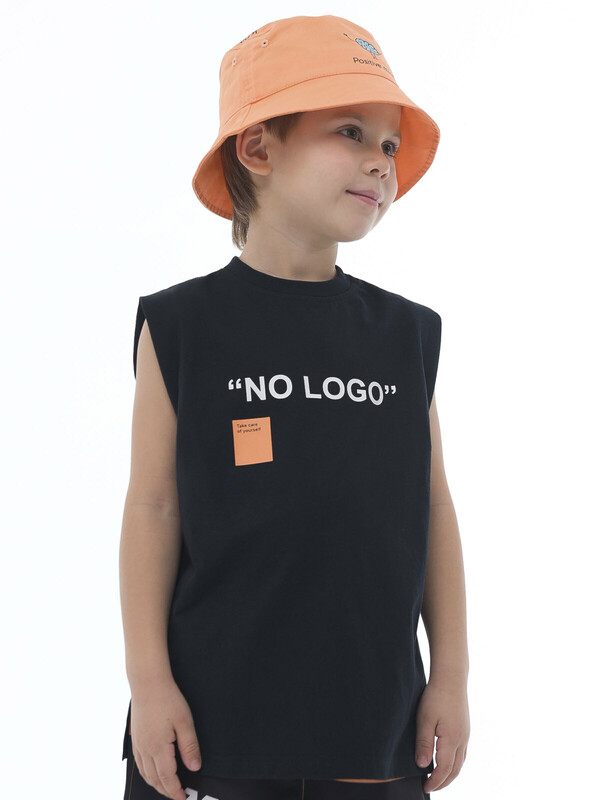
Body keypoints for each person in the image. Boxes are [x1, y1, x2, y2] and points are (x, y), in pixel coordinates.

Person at [119, 14, 470, 800]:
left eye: (390, 145)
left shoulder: (406, 335)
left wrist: (450, 676)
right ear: (258, 148)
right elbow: (153, 506)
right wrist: (149, 683)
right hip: (210, 735)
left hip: (376, 733)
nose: (381, 162)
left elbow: (433, 508)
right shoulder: (181, 327)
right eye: (351, 132)